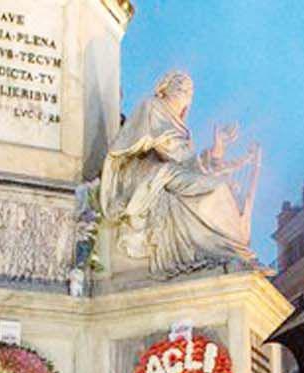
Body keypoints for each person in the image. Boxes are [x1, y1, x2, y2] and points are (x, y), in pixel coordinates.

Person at [98, 70, 262, 278]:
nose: (185, 91)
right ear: (165, 88)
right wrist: (211, 158)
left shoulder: (179, 124)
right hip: (148, 173)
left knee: (223, 189)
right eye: (180, 85)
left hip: (171, 170)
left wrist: (217, 149)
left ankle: (229, 251)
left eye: (189, 89)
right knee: (217, 189)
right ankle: (221, 251)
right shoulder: (153, 107)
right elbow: (169, 151)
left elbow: (187, 161)